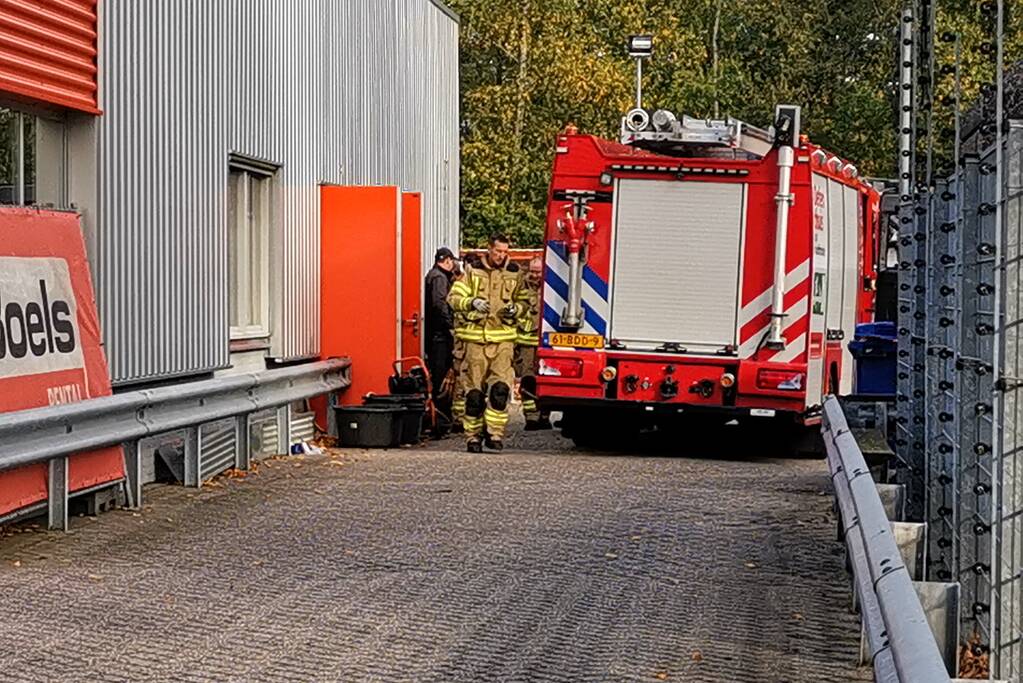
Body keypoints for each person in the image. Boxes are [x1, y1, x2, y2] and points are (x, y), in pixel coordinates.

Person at [448, 235, 526, 453]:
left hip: (503, 342)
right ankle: (473, 437)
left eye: (504, 251)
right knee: (473, 395)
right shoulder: (472, 272)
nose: (501, 255)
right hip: (475, 342)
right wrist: (472, 302)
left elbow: (525, 300)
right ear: (489, 249)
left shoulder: (514, 273)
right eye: (497, 251)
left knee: (500, 391)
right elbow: (453, 298)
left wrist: (516, 309)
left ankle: (494, 433)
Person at [515, 256, 551, 430]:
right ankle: (531, 417)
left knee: (547, 380)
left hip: (546, 343)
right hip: (526, 343)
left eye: (538, 271)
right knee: (528, 380)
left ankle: (545, 416)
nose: (535, 275)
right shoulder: (520, 286)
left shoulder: (552, 286)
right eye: (532, 271)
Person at [424, 247, 457, 417]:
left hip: (435, 335)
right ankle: (441, 414)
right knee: (441, 376)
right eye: (452, 261)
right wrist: (450, 326)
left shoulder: (435, 275)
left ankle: (439, 413)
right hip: (440, 336)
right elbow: (440, 304)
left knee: (439, 374)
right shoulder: (439, 278)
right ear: (447, 260)